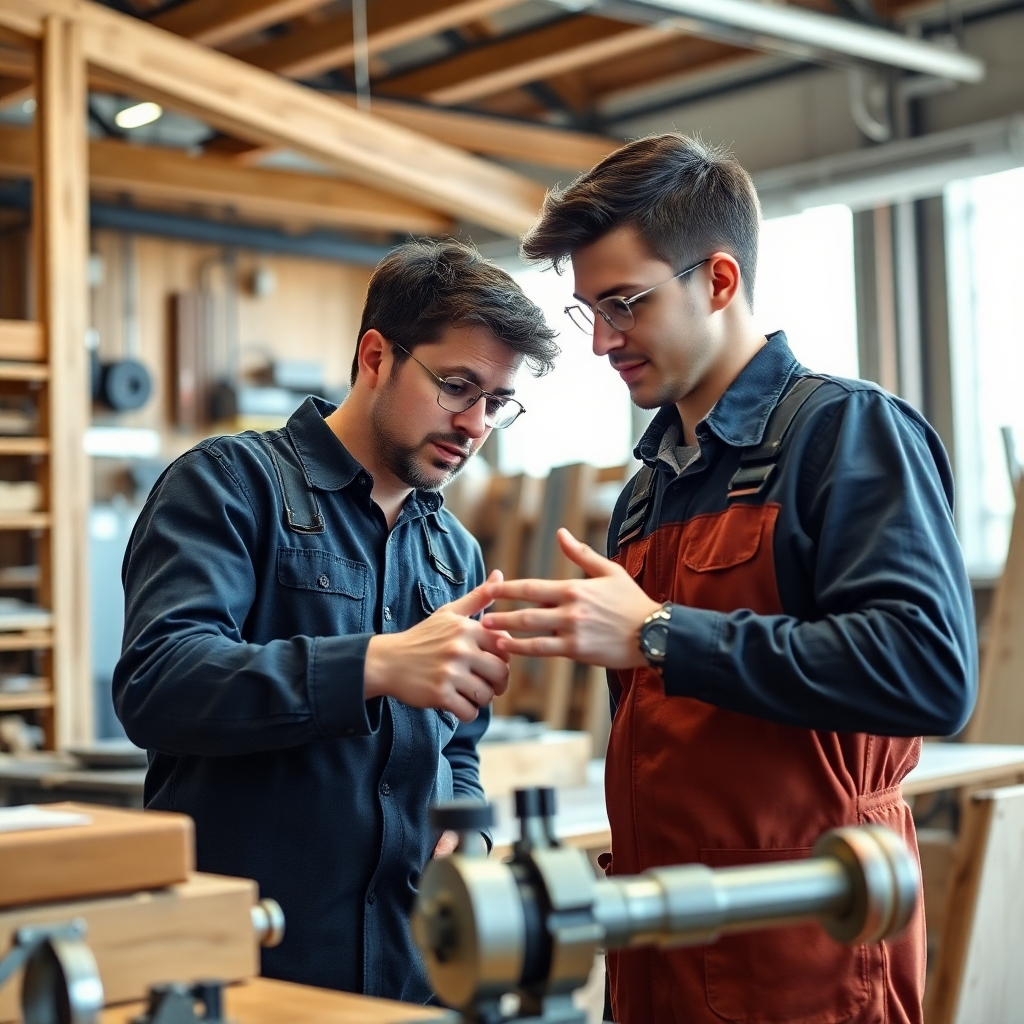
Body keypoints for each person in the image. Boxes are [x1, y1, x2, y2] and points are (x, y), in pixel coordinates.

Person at [481, 135, 976, 1024]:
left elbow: (927, 672)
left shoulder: (846, 436)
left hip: (806, 956)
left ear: (717, 279)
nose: (601, 340)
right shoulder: (646, 493)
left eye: (624, 303)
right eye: (588, 309)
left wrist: (659, 633)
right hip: (656, 953)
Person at [113, 239, 558, 1003]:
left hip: (411, 972)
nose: (477, 423)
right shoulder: (229, 486)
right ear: (377, 355)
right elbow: (160, 682)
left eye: (497, 402)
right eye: (457, 386)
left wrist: (467, 835)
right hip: (250, 974)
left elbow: (461, 746)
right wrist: (375, 664)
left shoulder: (454, 551)